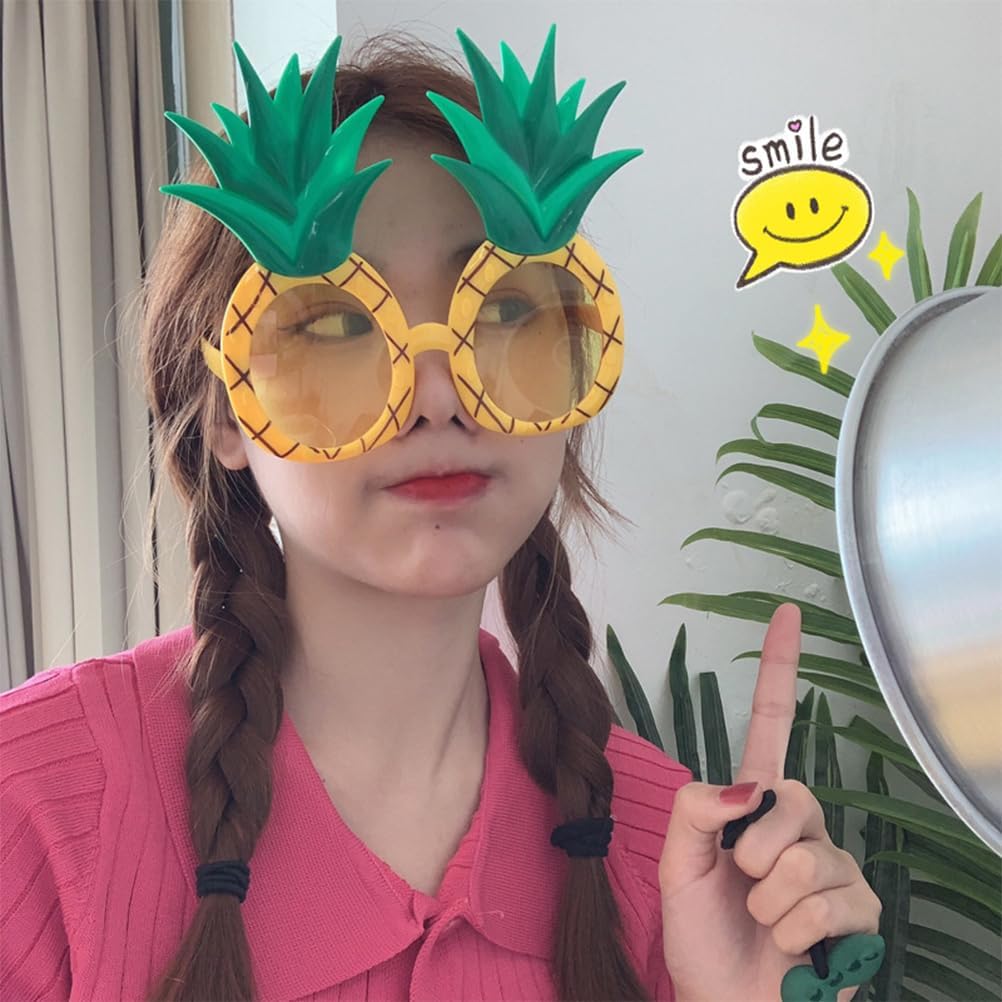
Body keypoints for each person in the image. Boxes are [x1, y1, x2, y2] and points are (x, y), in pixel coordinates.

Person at [0, 26, 881, 1002]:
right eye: (334, 323)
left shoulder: (681, 873)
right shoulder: (31, 813)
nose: (438, 396)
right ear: (223, 416)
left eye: (504, 312)